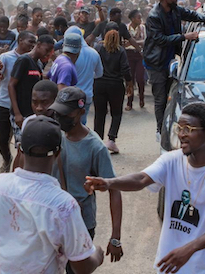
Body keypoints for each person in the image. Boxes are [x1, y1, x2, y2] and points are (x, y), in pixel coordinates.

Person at [85, 102, 205, 274]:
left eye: (188, 129)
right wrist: (110, 183)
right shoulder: (171, 160)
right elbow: (141, 179)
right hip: (170, 266)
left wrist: (189, 249)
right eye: (179, 128)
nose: (181, 135)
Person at [0, 116, 104, 274]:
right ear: (58, 152)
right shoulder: (64, 205)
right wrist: (97, 255)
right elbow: (81, 267)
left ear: (20, 149)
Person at [48, 87, 123, 273]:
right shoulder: (53, 134)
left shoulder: (95, 147)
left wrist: (115, 237)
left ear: (82, 111)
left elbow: (114, 189)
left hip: (80, 222)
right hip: (50, 219)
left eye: (66, 113)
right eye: (58, 112)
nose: (60, 118)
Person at [143, 0, 205, 141]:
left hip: (170, 59)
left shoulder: (175, 10)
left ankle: (167, 124)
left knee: (170, 97)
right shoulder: (154, 16)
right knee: (160, 99)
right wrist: (184, 37)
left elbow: (192, 15)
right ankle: (161, 130)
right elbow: (159, 39)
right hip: (156, 62)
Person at [0, 31, 36, 172]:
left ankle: (18, 168)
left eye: (34, 43)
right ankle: (7, 158)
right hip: (5, 103)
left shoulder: (33, 59)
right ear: (20, 40)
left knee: (21, 142)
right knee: (1, 139)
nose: (32, 46)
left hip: (23, 106)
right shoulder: (6, 57)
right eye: (30, 42)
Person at [9, 35, 56, 152]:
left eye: (51, 51)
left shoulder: (38, 64)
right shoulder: (23, 60)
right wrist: (17, 114)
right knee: (23, 148)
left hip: (33, 113)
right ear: (38, 45)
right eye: (47, 49)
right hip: (21, 113)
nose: (48, 53)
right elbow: (11, 85)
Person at [93, 23, 132, 153]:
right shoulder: (120, 50)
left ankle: (97, 141)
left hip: (98, 84)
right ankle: (111, 140)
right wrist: (129, 83)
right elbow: (125, 69)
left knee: (100, 113)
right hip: (116, 85)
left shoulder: (98, 47)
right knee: (116, 113)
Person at [125, 10, 146, 110]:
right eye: (138, 17)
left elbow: (145, 41)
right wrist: (137, 42)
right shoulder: (126, 27)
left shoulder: (142, 28)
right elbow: (123, 43)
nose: (140, 19)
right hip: (128, 55)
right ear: (132, 19)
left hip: (139, 55)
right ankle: (130, 102)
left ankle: (141, 97)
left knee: (140, 78)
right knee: (130, 79)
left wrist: (133, 42)